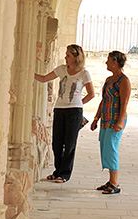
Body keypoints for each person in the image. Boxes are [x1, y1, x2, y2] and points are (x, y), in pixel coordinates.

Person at [34, 44, 95, 183]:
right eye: (66, 55)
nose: (65, 57)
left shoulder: (84, 73)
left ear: (76, 57)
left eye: (68, 55)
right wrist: (29, 72)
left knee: (69, 144)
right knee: (57, 142)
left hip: (74, 111)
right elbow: (44, 79)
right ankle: (57, 171)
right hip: (60, 109)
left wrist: (77, 104)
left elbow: (91, 94)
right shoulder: (62, 69)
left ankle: (65, 174)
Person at [91, 50, 131, 195]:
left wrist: (120, 121)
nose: (106, 63)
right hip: (106, 119)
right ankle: (110, 180)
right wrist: (96, 118)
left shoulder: (123, 80)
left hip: (115, 120)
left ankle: (115, 183)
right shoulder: (109, 80)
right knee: (105, 147)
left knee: (111, 148)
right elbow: (104, 100)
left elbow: (124, 103)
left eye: (108, 60)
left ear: (115, 62)